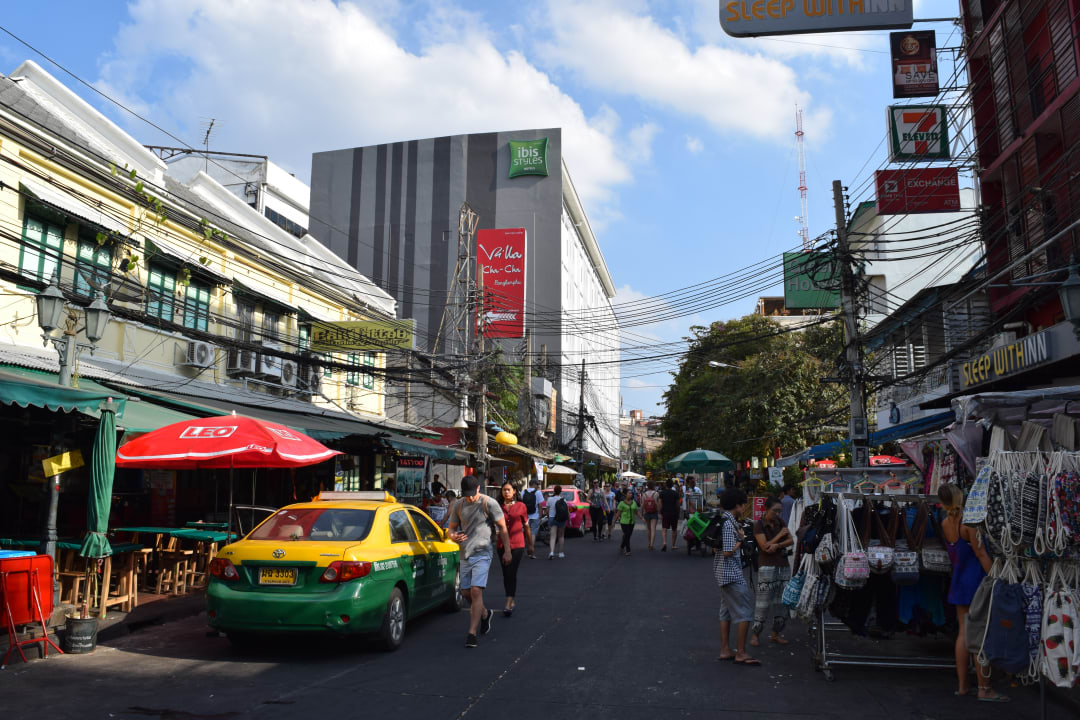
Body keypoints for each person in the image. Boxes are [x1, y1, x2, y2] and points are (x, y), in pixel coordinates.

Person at [938, 483, 1009, 702]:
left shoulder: (945, 523)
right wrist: (998, 580)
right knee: (980, 634)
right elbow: (981, 555)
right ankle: (984, 688)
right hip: (976, 582)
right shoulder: (969, 523)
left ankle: (962, 686)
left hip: (959, 581)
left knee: (964, 633)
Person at [446, 475, 512, 649]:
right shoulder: (459, 505)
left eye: (472, 494)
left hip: (483, 552)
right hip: (465, 553)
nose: (470, 498)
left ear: (478, 489)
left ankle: (472, 633)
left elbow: (503, 528)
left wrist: (507, 551)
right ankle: (484, 613)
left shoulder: (488, 503)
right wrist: (453, 536)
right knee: (466, 593)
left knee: (476, 591)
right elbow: (451, 529)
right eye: (466, 494)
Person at [714, 488, 760, 666]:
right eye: (743, 504)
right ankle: (740, 652)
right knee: (745, 612)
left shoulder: (726, 520)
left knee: (725, 612)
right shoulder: (728, 523)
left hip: (724, 573)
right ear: (737, 505)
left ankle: (726, 649)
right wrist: (740, 540)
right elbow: (726, 552)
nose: (744, 507)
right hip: (730, 573)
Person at [750, 497, 793, 647]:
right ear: (766, 509)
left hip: (783, 564)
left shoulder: (780, 522)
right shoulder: (759, 525)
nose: (777, 514)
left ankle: (776, 634)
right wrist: (780, 536)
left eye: (779, 511)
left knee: (782, 602)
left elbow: (791, 540)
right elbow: (764, 547)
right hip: (766, 565)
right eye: (775, 510)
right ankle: (756, 634)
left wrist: (776, 544)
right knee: (763, 601)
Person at [496, 480, 530, 617]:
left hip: (517, 544)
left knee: (511, 572)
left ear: (514, 491)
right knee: (505, 574)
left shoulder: (521, 506)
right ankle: (510, 598)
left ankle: (508, 602)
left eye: (509, 489)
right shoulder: (497, 506)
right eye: (504, 490)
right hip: (501, 545)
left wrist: (531, 544)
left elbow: (526, 526)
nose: (506, 492)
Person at [521, 478, 544, 558]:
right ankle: (531, 552)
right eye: (537, 484)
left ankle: (527, 549)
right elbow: (540, 506)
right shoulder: (538, 493)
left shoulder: (523, 492)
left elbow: (521, 504)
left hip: (525, 516)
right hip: (535, 516)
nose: (538, 486)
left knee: (526, 533)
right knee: (533, 533)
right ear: (534, 484)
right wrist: (540, 516)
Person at [615, 489, 641, 556]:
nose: (631, 494)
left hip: (632, 522)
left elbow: (636, 512)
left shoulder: (634, 502)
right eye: (629, 493)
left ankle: (622, 546)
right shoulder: (621, 503)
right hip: (624, 521)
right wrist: (613, 522)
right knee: (627, 534)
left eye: (631, 493)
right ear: (625, 495)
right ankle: (628, 550)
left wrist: (642, 518)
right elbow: (618, 514)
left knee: (628, 535)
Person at [658, 479, 681, 551]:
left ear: (665, 485)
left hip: (665, 513)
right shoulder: (675, 493)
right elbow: (678, 504)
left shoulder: (662, 493)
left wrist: (659, 512)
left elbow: (660, 504)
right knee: (674, 529)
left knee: (664, 528)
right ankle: (673, 545)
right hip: (674, 513)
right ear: (672, 485)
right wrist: (678, 512)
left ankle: (664, 542)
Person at [547, 484, 569, 559]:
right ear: (560, 491)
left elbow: (547, 510)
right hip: (561, 519)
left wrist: (548, 516)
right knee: (561, 536)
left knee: (552, 536)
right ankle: (561, 553)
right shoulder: (564, 500)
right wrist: (569, 520)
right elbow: (567, 511)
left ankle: (551, 552)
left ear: (554, 491)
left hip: (552, 518)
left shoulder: (550, 499)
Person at [641, 481, 661, 550]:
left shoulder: (644, 494)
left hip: (646, 512)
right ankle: (652, 544)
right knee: (653, 529)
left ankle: (649, 543)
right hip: (654, 512)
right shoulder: (656, 494)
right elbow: (658, 504)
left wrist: (642, 513)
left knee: (648, 529)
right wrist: (659, 512)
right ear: (653, 486)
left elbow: (642, 505)